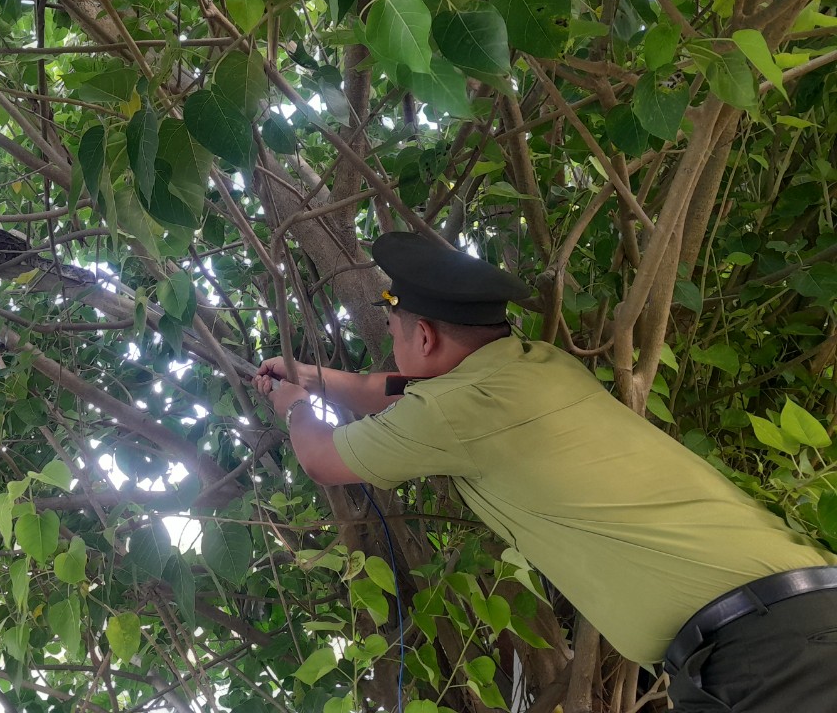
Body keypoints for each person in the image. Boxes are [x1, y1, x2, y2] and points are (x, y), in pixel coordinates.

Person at [253, 231, 837, 711]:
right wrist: (310, 375)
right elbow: (408, 388)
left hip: (767, 658)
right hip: (788, 625)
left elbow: (322, 460)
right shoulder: (539, 365)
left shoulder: (455, 412)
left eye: (394, 331)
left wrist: (295, 407)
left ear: (424, 334)